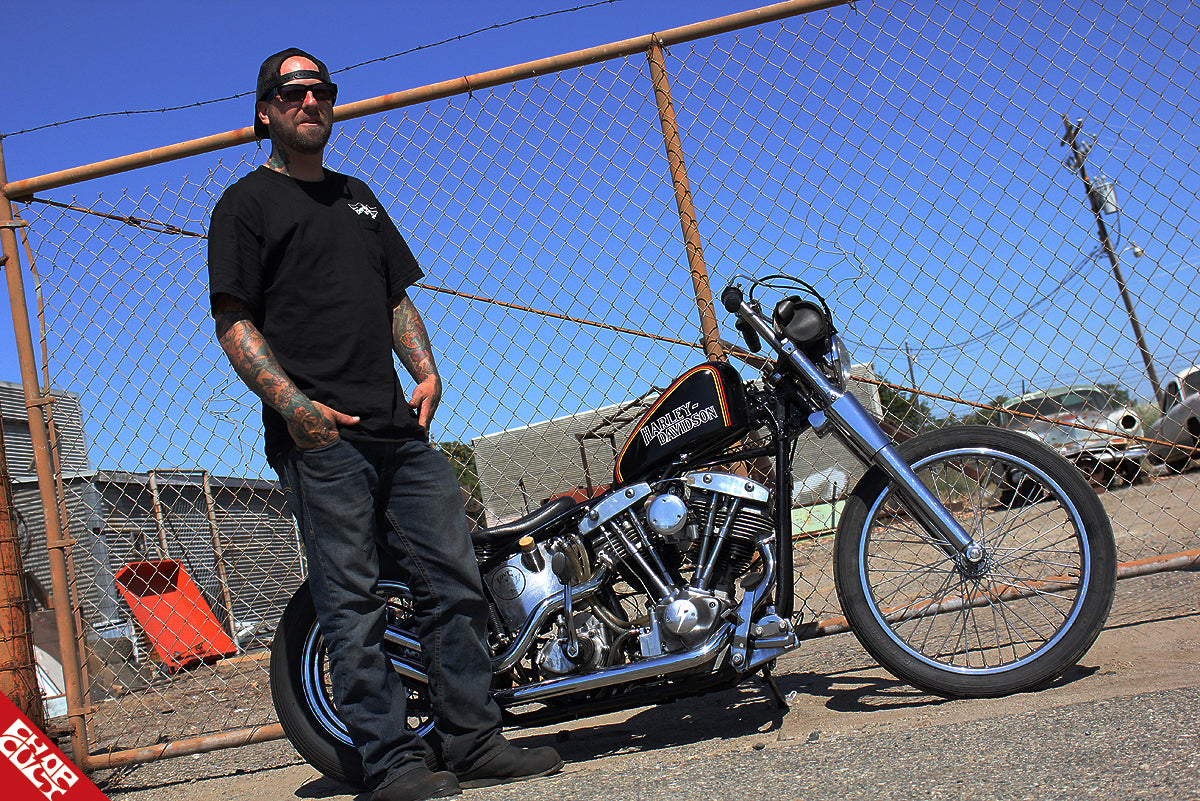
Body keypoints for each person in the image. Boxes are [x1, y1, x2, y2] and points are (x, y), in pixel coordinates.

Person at [207, 48, 562, 801]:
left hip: (400, 430)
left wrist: (425, 369)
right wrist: (297, 409)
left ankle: (473, 740)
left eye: (322, 90)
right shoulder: (244, 204)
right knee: (353, 599)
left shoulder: (359, 198)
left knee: (455, 580)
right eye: (292, 92)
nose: (311, 101)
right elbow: (233, 321)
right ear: (265, 111)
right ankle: (390, 763)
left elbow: (397, 297)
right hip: (322, 440)